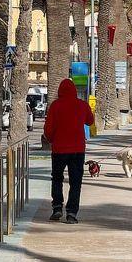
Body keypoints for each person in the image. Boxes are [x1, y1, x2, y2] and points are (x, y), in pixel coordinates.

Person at [42, 80, 98, 222]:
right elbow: (90, 121)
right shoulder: (82, 105)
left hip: (59, 149)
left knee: (57, 178)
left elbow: (48, 128)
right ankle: (72, 213)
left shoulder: (55, 106)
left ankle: (57, 208)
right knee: (76, 181)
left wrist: (51, 139)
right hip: (77, 150)